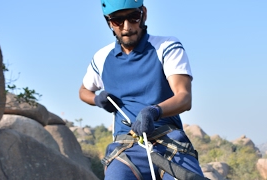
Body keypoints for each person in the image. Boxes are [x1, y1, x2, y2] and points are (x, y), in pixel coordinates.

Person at [79, 0, 204, 179]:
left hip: (169, 142)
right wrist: (97, 99)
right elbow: (83, 91)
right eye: (117, 21)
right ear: (108, 22)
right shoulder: (102, 58)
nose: (127, 27)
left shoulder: (167, 47)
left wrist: (154, 111)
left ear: (143, 13)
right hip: (127, 148)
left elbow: (184, 97)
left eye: (133, 17)